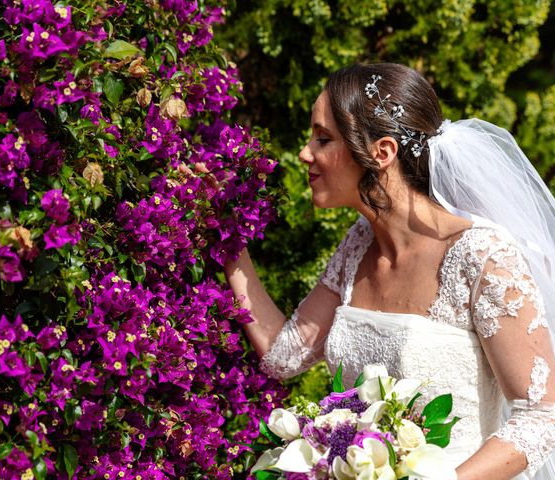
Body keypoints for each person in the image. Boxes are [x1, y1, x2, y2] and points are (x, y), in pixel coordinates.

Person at [225, 63, 555, 479]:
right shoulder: (358, 244)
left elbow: (542, 415)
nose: (305, 153)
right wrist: (227, 243)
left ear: (381, 152)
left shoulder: (482, 256)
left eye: (323, 138)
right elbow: (284, 355)